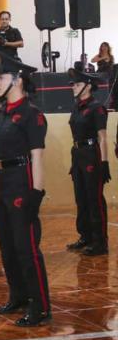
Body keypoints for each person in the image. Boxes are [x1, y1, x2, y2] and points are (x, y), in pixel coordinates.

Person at [0, 54, 50, 327]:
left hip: (21, 184)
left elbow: (36, 156)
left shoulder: (31, 114)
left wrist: (36, 194)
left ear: (17, 79)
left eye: (1, 77)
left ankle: (40, 305)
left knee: (26, 247)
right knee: (7, 246)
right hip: (1, 184)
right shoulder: (1, 113)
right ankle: (18, 295)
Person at [65, 68, 110, 256]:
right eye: (73, 84)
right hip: (78, 154)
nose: (73, 87)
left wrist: (105, 163)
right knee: (81, 198)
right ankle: (86, 236)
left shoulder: (96, 107)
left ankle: (100, 242)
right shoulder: (77, 106)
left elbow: (103, 137)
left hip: (92, 154)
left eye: (76, 84)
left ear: (88, 86)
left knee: (94, 199)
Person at [92, 42, 116, 109]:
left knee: (100, 76)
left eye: (105, 46)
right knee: (92, 76)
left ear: (108, 47)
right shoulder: (99, 55)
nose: (104, 48)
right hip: (99, 73)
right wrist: (102, 58)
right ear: (101, 48)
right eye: (102, 46)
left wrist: (104, 58)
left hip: (107, 73)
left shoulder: (111, 56)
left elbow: (110, 65)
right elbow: (92, 60)